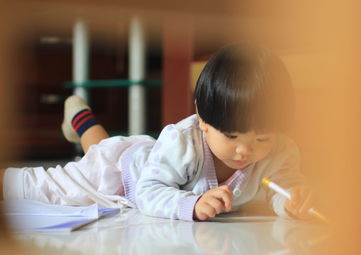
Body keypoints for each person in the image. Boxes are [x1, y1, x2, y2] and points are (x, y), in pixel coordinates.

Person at [0, 43, 315, 221]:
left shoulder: (281, 150)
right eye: (231, 136)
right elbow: (149, 191)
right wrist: (189, 204)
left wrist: (289, 202)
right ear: (202, 119)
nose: (245, 151)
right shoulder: (183, 142)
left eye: (262, 138)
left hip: (149, 157)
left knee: (102, 145)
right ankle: (78, 119)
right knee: (38, 186)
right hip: (119, 174)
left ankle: (80, 119)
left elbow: (281, 186)